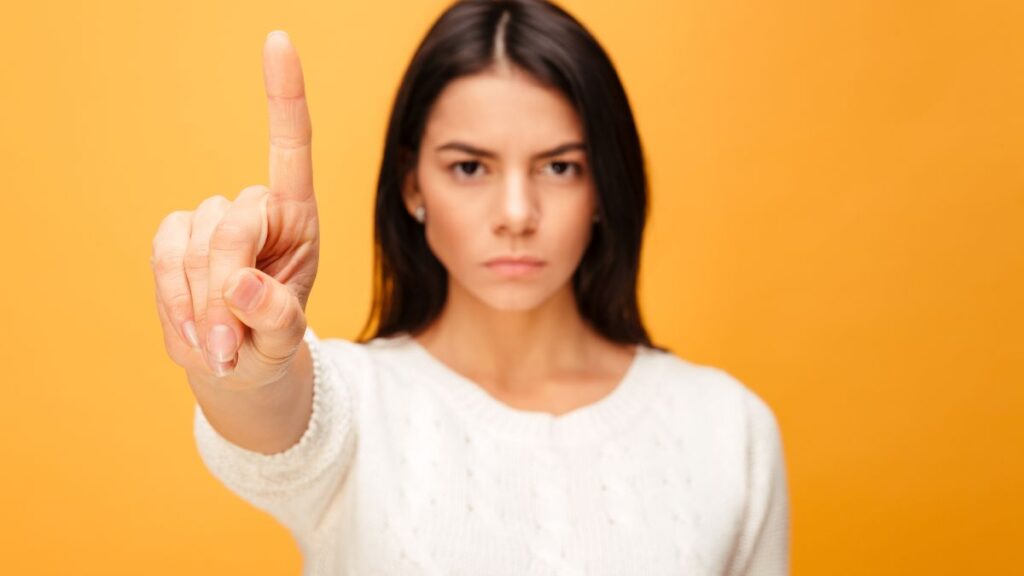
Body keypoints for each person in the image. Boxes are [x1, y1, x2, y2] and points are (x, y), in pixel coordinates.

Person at [149, 0, 790, 573]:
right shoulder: (355, 405)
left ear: (603, 189)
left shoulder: (726, 427)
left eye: (561, 167)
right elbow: (277, 413)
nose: (516, 212)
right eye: (470, 166)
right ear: (412, 186)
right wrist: (244, 366)